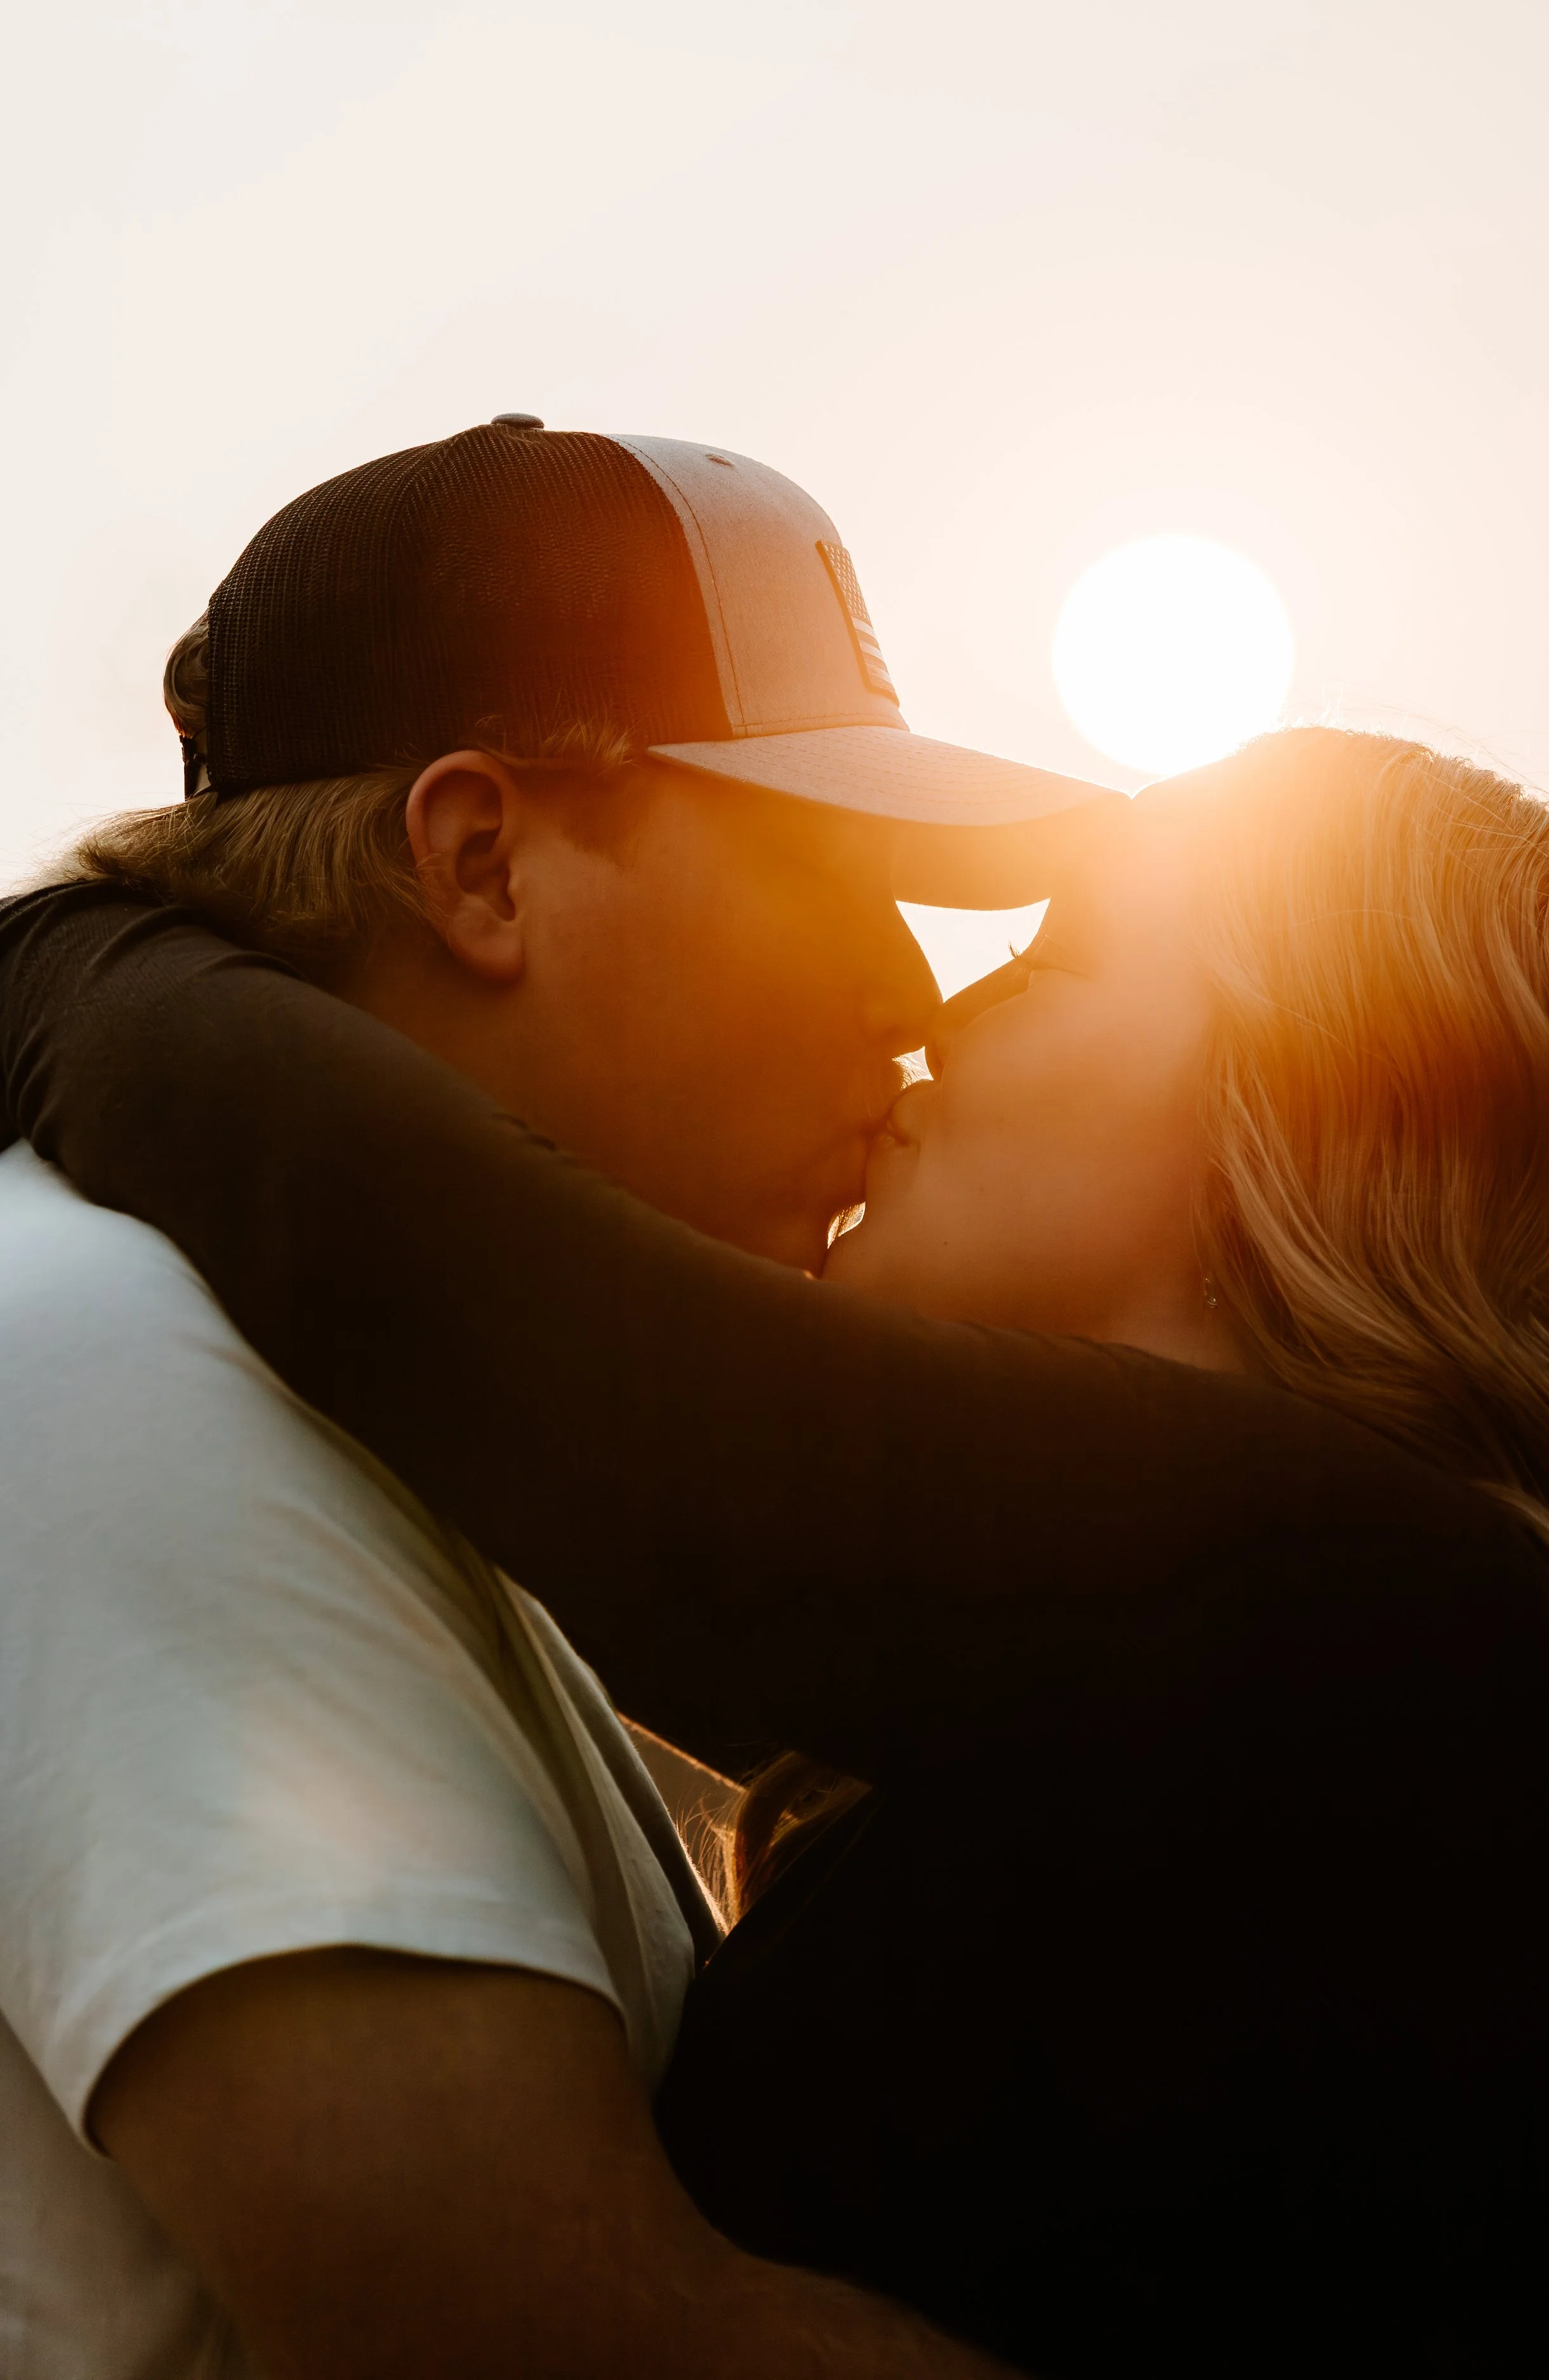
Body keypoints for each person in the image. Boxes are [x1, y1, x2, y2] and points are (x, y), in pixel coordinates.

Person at [7, 710, 1549, 2380]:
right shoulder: (1205, 1677)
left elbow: (425, 1269)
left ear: (1320, 1074)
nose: (935, 1020)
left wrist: (64, 960)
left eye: (1062, 960)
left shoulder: (1412, 1605)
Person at [0, 418, 1100, 2380]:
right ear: (478, 858)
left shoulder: (332, 1400)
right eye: (835, 875)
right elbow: (558, 2344)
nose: (915, 996)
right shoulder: (126, 1364)